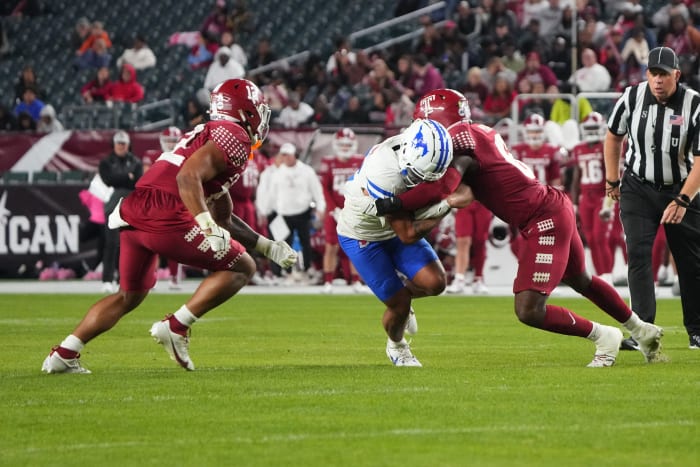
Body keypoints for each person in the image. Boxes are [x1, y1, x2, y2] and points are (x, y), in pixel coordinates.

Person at [370, 88, 664, 368]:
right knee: (581, 279)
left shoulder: (461, 143)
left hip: (543, 217)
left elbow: (443, 187)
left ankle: (604, 337)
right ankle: (642, 329)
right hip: (548, 206)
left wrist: (392, 201)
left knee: (529, 309)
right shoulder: (477, 132)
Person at [42, 78, 297, 374]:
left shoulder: (214, 136)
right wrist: (206, 226)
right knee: (243, 268)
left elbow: (222, 215)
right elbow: (187, 179)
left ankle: (64, 353)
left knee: (129, 295)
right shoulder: (234, 135)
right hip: (167, 211)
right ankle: (176, 327)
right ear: (244, 110)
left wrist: (267, 246)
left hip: (138, 207)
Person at [337, 118, 470, 366]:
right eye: (420, 175)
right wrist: (447, 204)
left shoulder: (427, 151)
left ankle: (402, 303)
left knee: (436, 283)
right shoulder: (385, 173)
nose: (422, 181)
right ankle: (397, 346)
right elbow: (407, 233)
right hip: (364, 236)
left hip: (394, 227)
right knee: (398, 304)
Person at [604, 46, 700, 350]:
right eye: (653, 73)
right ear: (647, 74)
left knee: (690, 262)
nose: (657, 80)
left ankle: (697, 330)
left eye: (663, 74)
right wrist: (612, 179)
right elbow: (612, 135)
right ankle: (641, 329)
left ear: (677, 75)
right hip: (638, 187)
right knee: (639, 255)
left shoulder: (695, 104)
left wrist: (683, 200)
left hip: (682, 187)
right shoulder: (631, 97)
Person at [267, 142, 326, 279]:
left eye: (288, 155)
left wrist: (320, 207)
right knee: (284, 244)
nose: (286, 158)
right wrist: (268, 210)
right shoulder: (277, 173)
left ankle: (306, 268)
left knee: (305, 242)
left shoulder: (307, 171)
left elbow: (317, 191)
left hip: (302, 212)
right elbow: (272, 194)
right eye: (283, 155)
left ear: (294, 156)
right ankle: (285, 272)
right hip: (283, 213)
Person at [318, 128, 366, 293]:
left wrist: (358, 206)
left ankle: (356, 281)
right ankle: (328, 281)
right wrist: (333, 209)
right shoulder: (328, 162)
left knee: (356, 246)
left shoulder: (360, 161)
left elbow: (364, 186)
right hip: (334, 211)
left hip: (354, 210)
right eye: (342, 144)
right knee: (331, 246)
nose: (345, 148)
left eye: (348, 144)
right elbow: (325, 187)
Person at [570, 112, 614, 283]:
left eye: (594, 128)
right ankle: (600, 276)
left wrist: (609, 203)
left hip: (602, 196)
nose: (591, 131)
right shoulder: (578, 148)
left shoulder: (606, 146)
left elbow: (613, 176)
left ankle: (607, 275)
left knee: (600, 237)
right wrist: (574, 203)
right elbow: (576, 177)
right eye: (588, 128)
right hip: (585, 198)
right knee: (591, 239)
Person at [98, 130, 143, 294]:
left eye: (123, 144)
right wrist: (127, 177)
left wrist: (122, 178)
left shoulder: (136, 162)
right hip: (112, 207)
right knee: (110, 244)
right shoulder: (106, 162)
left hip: (131, 207)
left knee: (131, 245)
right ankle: (107, 279)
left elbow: (138, 181)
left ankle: (126, 279)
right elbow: (108, 180)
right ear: (114, 144)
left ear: (128, 145)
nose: (121, 146)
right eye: (119, 143)